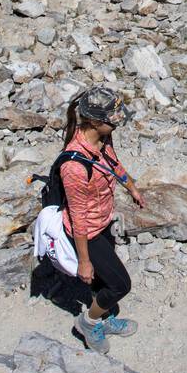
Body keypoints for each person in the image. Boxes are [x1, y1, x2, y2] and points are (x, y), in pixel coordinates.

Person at [60, 85, 146, 354]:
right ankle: (89, 322)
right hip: (88, 231)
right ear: (96, 121)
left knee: (103, 281)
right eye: (113, 120)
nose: (117, 125)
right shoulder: (74, 166)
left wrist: (130, 186)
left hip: (103, 219)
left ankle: (103, 316)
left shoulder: (101, 138)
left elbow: (112, 162)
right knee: (121, 285)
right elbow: (78, 217)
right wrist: (84, 261)